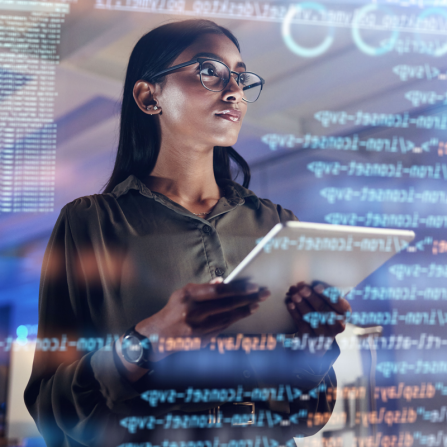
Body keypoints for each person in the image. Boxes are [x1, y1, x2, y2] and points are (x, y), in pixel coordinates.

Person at [24, 19, 351, 447]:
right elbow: (52, 408)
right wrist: (147, 342)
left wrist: (312, 349)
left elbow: (309, 418)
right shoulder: (91, 224)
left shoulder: (276, 225)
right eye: (209, 71)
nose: (233, 90)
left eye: (239, 75)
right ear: (149, 96)